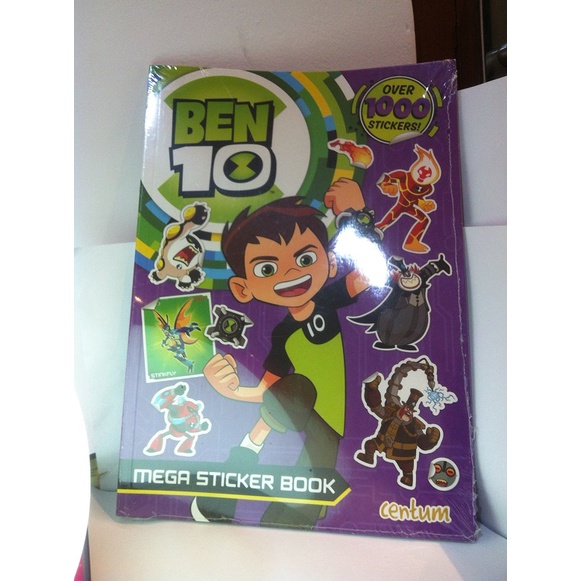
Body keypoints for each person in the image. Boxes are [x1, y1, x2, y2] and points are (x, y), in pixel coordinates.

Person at [193, 178, 384, 529]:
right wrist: (228, 390)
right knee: (295, 391)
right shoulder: (284, 333)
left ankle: (279, 512)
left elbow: (369, 274)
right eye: (267, 268)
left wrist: (359, 216)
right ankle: (231, 480)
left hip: (329, 420)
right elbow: (266, 387)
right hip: (300, 406)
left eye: (305, 258)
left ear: (329, 263)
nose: (292, 273)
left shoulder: (328, 300)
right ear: (243, 288)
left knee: (314, 474)